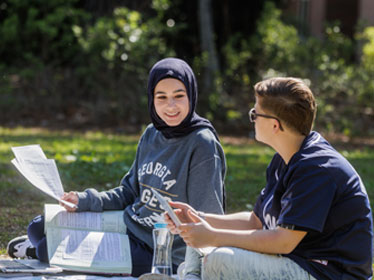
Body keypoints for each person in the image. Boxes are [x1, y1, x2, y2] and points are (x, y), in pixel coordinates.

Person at [7, 58, 226, 278]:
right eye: (162, 97)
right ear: (152, 99)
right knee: (37, 227)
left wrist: (194, 269)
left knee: (46, 248)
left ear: (191, 95)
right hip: (128, 224)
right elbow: (129, 192)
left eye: (179, 96)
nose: (171, 106)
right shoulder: (152, 133)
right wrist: (84, 200)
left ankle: (38, 251)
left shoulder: (202, 144)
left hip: (161, 250)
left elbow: (208, 217)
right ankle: (44, 247)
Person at [165, 77, 373, 280]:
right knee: (197, 235)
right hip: (297, 260)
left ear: (274, 125)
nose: (252, 118)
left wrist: (213, 236)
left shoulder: (316, 169)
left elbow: (283, 242)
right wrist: (199, 217)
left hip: (327, 272)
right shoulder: (285, 158)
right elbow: (256, 221)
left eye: (255, 113)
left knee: (220, 260)